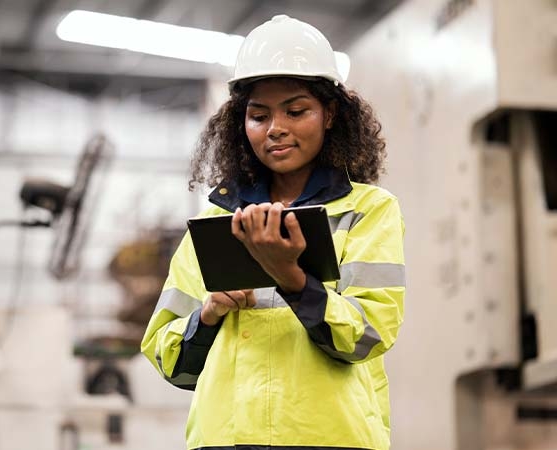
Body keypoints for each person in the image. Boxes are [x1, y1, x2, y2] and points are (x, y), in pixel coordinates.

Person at [140, 15, 405, 450]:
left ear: (330, 114)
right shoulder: (215, 221)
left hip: (330, 439)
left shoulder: (368, 211)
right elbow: (171, 362)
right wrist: (210, 314)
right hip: (225, 440)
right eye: (259, 115)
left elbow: (368, 335)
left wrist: (293, 279)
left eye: (296, 111)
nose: (275, 128)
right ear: (240, 124)